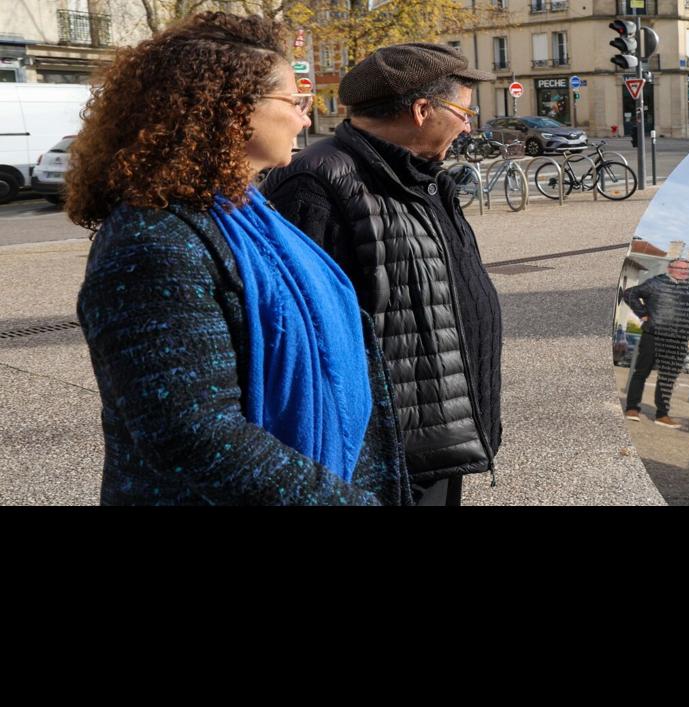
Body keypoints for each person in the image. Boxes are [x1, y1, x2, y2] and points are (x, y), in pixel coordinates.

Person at [66, 12, 410, 506]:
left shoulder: (244, 213)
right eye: (295, 101)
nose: (305, 117)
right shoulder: (154, 242)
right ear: (232, 110)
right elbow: (195, 435)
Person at [261, 42, 500, 507]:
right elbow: (302, 337)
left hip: (439, 437)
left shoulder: (422, 176)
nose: (469, 124)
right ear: (421, 109)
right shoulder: (317, 181)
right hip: (385, 454)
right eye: (463, 112)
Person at [620, 258, 689, 428]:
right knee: (641, 372)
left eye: (687, 269)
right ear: (670, 268)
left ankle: (662, 414)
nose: (683, 271)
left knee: (668, 378)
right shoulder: (656, 283)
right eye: (679, 268)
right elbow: (629, 293)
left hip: (678, 340)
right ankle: (632, 408)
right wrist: (643, 313)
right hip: (654, 335)